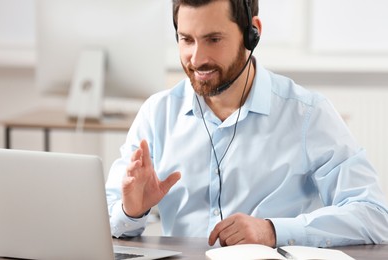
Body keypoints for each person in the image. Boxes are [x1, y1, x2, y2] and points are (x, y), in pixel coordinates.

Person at [106, 0, 388, 248]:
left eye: (213, 39)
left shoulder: (307, 114)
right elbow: (104, 220)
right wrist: (131, 211)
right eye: (187, 39)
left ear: (253, 33)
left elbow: (374, 215)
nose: (197, 59)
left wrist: (272, 231)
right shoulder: (157, 114)